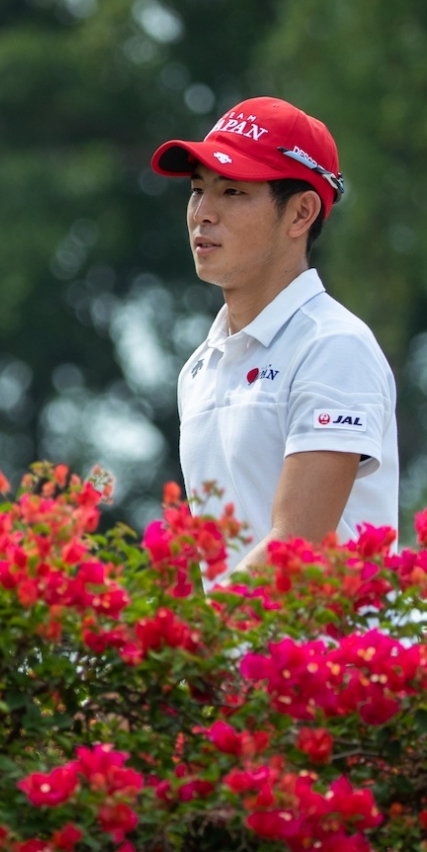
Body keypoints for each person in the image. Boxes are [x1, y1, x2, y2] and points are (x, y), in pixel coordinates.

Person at [151, 96, 399, 571]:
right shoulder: (198, 369)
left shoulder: (333, 346)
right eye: (198, 189)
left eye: (233, 193)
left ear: (301, 214)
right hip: (242, 642)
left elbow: (297, 547)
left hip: (332, 647)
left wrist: (199, 640)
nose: (202, 212)